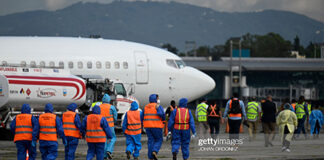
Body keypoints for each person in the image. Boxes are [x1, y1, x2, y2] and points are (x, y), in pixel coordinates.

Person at [142, 94, 165, 160]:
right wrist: (163, 120)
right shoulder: (157, 106)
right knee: (159, 140)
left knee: (150, 141)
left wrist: (142, 124)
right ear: (155, 99)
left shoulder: (146, 107)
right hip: (156, 126)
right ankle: (155, 151)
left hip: (147, 127)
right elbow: (162, 114)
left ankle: (150, 157)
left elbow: (142, 116)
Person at [99, 94, 117, 160]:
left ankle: (104, 156)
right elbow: (115, 117)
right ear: (109, 100)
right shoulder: (111, 107)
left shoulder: (99, 106)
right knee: (112, 138)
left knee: (104, 140)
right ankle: (109, 150)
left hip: (101, 127)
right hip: (110, 126)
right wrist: (114, 121)